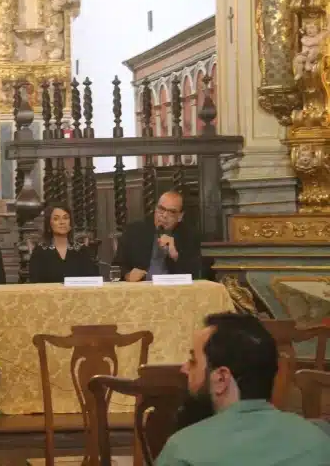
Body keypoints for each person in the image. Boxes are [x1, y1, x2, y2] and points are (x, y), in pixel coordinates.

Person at [156, 312, 330, 465]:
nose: (184, 368)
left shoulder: (184, 450)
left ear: (221, 378)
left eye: (193, 361)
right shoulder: (318, 439)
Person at [112, 190, 200, 282]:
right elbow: (116, 267)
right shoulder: (134, 231)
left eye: (172, 212)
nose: (165, 215)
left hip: (172, 290)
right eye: (161, 209)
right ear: (155, 209)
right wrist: (127, 275)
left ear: (180, 216)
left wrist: (175, 256)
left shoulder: (189, 236)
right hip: (141, 290)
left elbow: (194, 275)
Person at [29, 204, 99, 283]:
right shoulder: (40, 252)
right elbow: (35, 283)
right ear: (49, 224)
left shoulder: (82, 251)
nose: (62, 222)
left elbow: (93, 281)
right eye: (56, 219)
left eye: (65, 218)